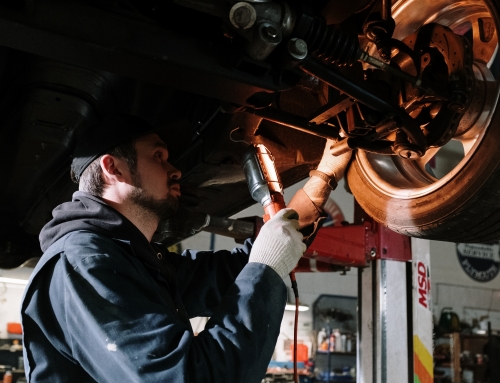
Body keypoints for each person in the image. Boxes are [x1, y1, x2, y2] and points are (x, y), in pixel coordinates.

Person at [21, 114, 351, 382]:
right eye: (158, 156)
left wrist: (323, 178)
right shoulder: (83, 263)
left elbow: (236, 272)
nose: (175, 169)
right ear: (113, 168)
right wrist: (267, 267)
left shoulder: (132, 260)